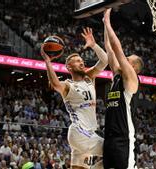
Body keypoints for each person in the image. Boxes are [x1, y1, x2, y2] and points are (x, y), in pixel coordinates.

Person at [41, 27, 108, 169]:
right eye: (77, 61)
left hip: (87, 134)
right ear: (69, 67)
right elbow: (55, 84)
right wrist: (48, 62)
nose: (82, 62)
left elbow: (105, 61)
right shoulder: (67, 85)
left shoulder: (89, 77)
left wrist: (94, 45)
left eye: (81, 60)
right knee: (112, 150)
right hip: (80, 132)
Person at [103, 9, 144, 169]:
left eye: (128, 59)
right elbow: (109, 47)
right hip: (109, 138)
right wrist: (104, 23)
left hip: (123, 140)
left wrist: (108, 21)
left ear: (133, 66)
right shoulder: (117, 75)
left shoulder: (132, 79)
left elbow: (117, 48)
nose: (124, 58)